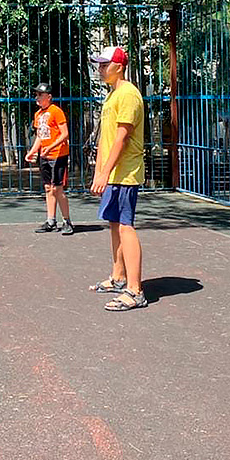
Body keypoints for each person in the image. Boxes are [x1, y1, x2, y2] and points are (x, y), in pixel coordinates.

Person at [88, 46, 147, 311]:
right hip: (113, 173)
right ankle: (118, 277)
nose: (100, 69)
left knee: (125, 226)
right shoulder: (112, 95)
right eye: (99, 65)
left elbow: (122, 139)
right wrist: (99, 171)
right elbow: (106, 138)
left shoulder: (129, 94)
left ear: (119, 66)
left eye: (105, 65)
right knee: (114, 224)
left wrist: (105, 172)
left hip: (126, 173)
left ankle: (135, 291)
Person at [24, 82, 73, 234]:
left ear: (49, 97)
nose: (37, 98)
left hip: (58, 154)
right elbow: (40, 136)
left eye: (40, 95)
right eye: (36, 94)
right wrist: (32, 151)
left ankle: (67, 221)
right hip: (44, 155)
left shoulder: (56, 111)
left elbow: (65, 134)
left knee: (58, 188)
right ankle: (51, 220)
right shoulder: (38, 115)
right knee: (48, 188)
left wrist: (51, 147)